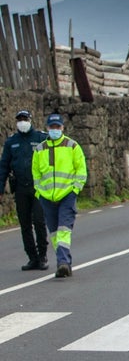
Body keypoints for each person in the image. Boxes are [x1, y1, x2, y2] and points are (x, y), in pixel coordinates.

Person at [32, 113, 87, 279]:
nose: (55, 130)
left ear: (63, 128)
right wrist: (39, 192)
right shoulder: (40, 149)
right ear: (47, 128)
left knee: (64, 229)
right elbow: (36, 173)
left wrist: (75, 189)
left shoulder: (72, 146)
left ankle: (62, 262)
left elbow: (81, 169)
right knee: (55, 232)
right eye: (52, 127)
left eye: (58, 127)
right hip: (47, 198)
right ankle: (64, 262)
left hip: (67, 195)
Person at [0, 110, 50, 270]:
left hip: (38, 188)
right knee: (25, 224)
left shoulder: (41, 138)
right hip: (21, 187)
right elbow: (4, 166)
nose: (22, 122)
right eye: (19, 119)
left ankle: (42, 256)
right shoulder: (11, 142)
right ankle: (32, 257)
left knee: (39, 221)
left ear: (30, 120)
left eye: (25, 119)